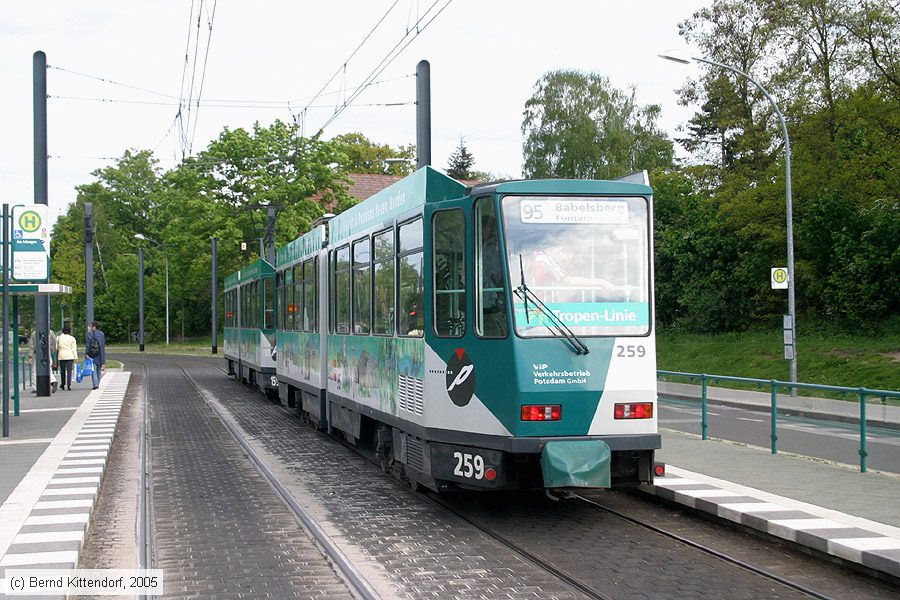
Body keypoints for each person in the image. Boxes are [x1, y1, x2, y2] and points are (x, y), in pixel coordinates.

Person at [30, 328, 59, 393]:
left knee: (34, 370)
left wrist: (30, 356)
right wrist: (52, 352)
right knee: (48, 368)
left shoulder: (34, 333)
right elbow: (54, 343)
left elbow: (31, 346)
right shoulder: (51, 332)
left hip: (37, 353)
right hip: (48, 352)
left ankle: (35, 387)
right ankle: (53, 380)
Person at [86, 321, 106, 390]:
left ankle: (95, 384)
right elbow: (102, 346)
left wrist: (87, 354)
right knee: (98, 371)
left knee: (93, 370)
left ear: (94, 327)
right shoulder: (102, 334)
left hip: (92, 355)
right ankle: (98, 383)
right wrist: (103, 359)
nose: (90, 327)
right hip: (100, 355)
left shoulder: (90, 334)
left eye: (91, 326)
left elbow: (88, 345)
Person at [57, 326, 78, 391]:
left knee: (62, 371)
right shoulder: (72, 338)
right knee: (69, 371)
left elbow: (57, 348)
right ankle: (69, 384)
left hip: (61, 355)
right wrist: (76, 357)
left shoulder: (59, 337)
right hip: (70, 355)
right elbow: (74, 349)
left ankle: (63, 384)